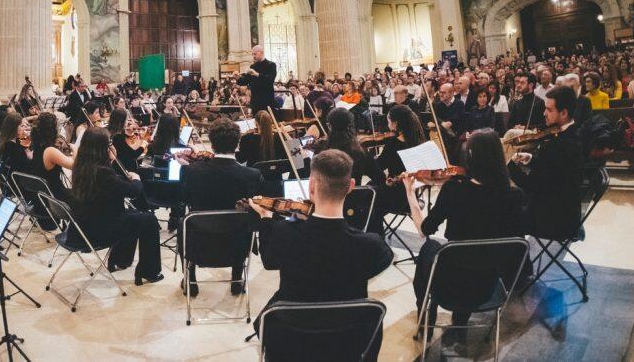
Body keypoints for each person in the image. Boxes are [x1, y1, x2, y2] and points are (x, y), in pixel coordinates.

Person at [249, 150, 394, 354]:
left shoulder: (284, 233)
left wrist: (265, 217)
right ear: (351, 186)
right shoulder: (371, 245)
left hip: (291, 340)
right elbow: (382, 259)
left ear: (311, 186)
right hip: (348, 341)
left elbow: (269, 260)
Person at [402, 130, 527, 331]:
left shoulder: (454, 191)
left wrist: (410, 193)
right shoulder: (514, 196)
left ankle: (426, 313)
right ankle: (461, 317)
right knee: (478, 254)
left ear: (470, 158)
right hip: (489, 283)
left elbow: (423, 230)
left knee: (430, 247)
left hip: (449, 283)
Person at [180, 117, 263, 296]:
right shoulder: (252, 175)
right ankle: (236, 279)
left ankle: (191, 280)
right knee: (243, 220)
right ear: (237, 143)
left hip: (200, 242)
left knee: (184, 222)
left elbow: (184, 199)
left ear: (212, 143)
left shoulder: (192, 171)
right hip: (237, 243)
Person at [69, 128, 163, 284]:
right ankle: (149, 271)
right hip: (97, 230)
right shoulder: (102, 171)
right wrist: (136, 179)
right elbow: (133, 191)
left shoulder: (82, 166)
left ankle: (120, 260)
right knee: (149, 220)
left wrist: (113, 163)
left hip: (83, 223)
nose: (112, 147)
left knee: (134, 216)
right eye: (109, 144)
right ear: (102, 148)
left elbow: (112, 184)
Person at [508, 86, 585, 240]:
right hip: (569, 211)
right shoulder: (575, 133)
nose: (544, 113)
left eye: (549, 110)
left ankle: (520, 260)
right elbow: (555, 172)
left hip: (554, 220)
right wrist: (532, 159)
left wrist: (509, 166)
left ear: (564, 113)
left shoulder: (559, 145)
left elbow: (532, 186)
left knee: (503, 212)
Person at [369, 104, 426, 234]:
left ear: (395, 123)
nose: (388, 124)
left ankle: (378, 239)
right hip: (412, 195)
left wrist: (370, 159)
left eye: (388, 121)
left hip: (396, 196)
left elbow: (378, 167)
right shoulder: (419, 140)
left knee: (368, 200)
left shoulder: (393, 144)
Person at [313, 107, 371, 184]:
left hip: (327, 195)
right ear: (351, 126)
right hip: (354, 194)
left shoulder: (321, 148)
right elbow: (380, 178)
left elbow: (313, 177)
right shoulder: (360, 152)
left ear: (329, 126)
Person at [25, 111, 73, 200]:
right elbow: (74, 165)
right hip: (54, 198)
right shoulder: (50, 151)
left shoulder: (37, 144)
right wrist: (75, 148)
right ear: (53, 130)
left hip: (44, 195)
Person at [236, 45, 277, 115]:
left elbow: (270, 80)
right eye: (252, 54)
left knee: (267, 122)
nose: (253, 56)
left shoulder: (271, 65)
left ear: (261, 52)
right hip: (255, 101)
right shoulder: (253, 66)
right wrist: (237, 77)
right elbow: (245, 81)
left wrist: (257, 74)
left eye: (255, 54)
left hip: (266, 100)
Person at [107, 108, 147, 172]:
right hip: (122, 169)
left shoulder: (110, 131)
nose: (127, 122)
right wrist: (143, 145)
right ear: (121, 121)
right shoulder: (117, 136)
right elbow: (133, 155)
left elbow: (127, 149)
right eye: (126, 120)